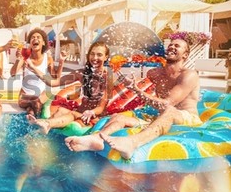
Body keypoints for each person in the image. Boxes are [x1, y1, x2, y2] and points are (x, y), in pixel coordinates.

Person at [65, 38, 202, 159]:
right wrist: (127, 85)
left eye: (177, 46)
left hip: (186, 118)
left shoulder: (189, 75)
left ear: (185, 55)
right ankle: (96, 139)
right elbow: (139, 93)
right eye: (170, 45)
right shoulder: (155, 73)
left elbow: (167, 104)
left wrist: (136, 89)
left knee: (170, 111)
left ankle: (132, 143)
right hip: (161, 117)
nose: (172, 47)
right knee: (119, 117)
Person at [27, 41, 110, 134]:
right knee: (60, 110)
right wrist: (34, 68)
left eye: (99, 55)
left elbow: (101, 107)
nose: (95, 58)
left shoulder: (107, 77)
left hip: (93, 116)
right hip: (80, 112)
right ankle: (42, 131)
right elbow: (53, 82)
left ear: (106, 57)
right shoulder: (82, 73)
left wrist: (91, 112)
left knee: (72, 114)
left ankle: (46, 123)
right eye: (92, 54)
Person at [10, 28, 66, 117]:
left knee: (33, 107)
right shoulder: (25, 58)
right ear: (30, 43)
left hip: (41, 95)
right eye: (33, 37)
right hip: (25, 96)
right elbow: (12, 73)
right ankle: (37, 125)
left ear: (43, 43)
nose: (35, 38)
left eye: (38, 37)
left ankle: (32, 121)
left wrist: (61, 62)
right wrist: (17, 59)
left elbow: (55, 78)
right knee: (35, 103)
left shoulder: (47, 59)